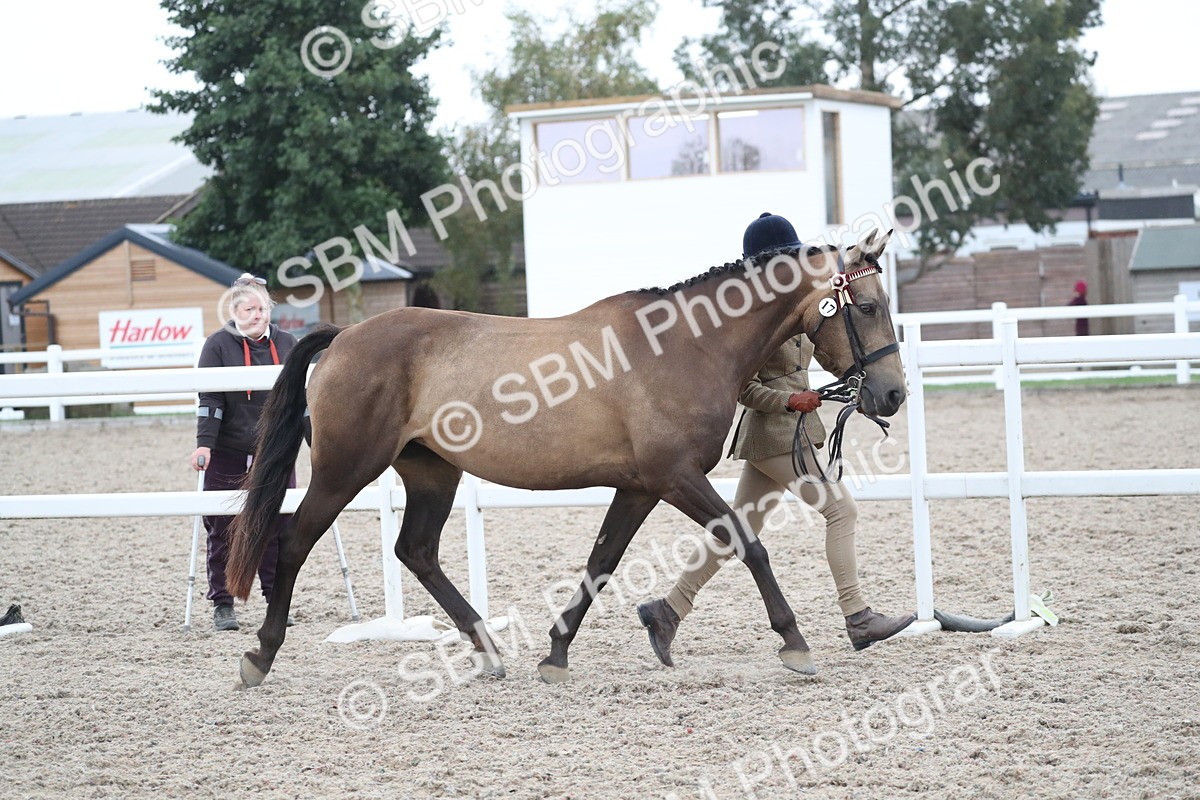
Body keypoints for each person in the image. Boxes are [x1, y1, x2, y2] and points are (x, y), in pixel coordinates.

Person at [636, 212, 915, 665]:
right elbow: (742, 387)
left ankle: (667, 610)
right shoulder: (752, 322)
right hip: (775, 433)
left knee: (734, 532)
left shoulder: (799, 306)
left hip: (787, 434)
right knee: (841, 509)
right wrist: (788, 403)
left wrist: (858, 388)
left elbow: (825, 351)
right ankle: (858, 616)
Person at [189, 274, 298, 631]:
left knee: (276, 526)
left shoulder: (288, 342)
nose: (258, 315)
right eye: (249, 309)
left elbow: (305, 400)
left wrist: (315, 440)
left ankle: (275, 600)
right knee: (222, 526)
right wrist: (204, 443)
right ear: (234, 311)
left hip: (275, 451)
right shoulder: (218, 345)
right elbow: (210, 399)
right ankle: (223, 604)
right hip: (228, 448)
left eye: (263, 308)